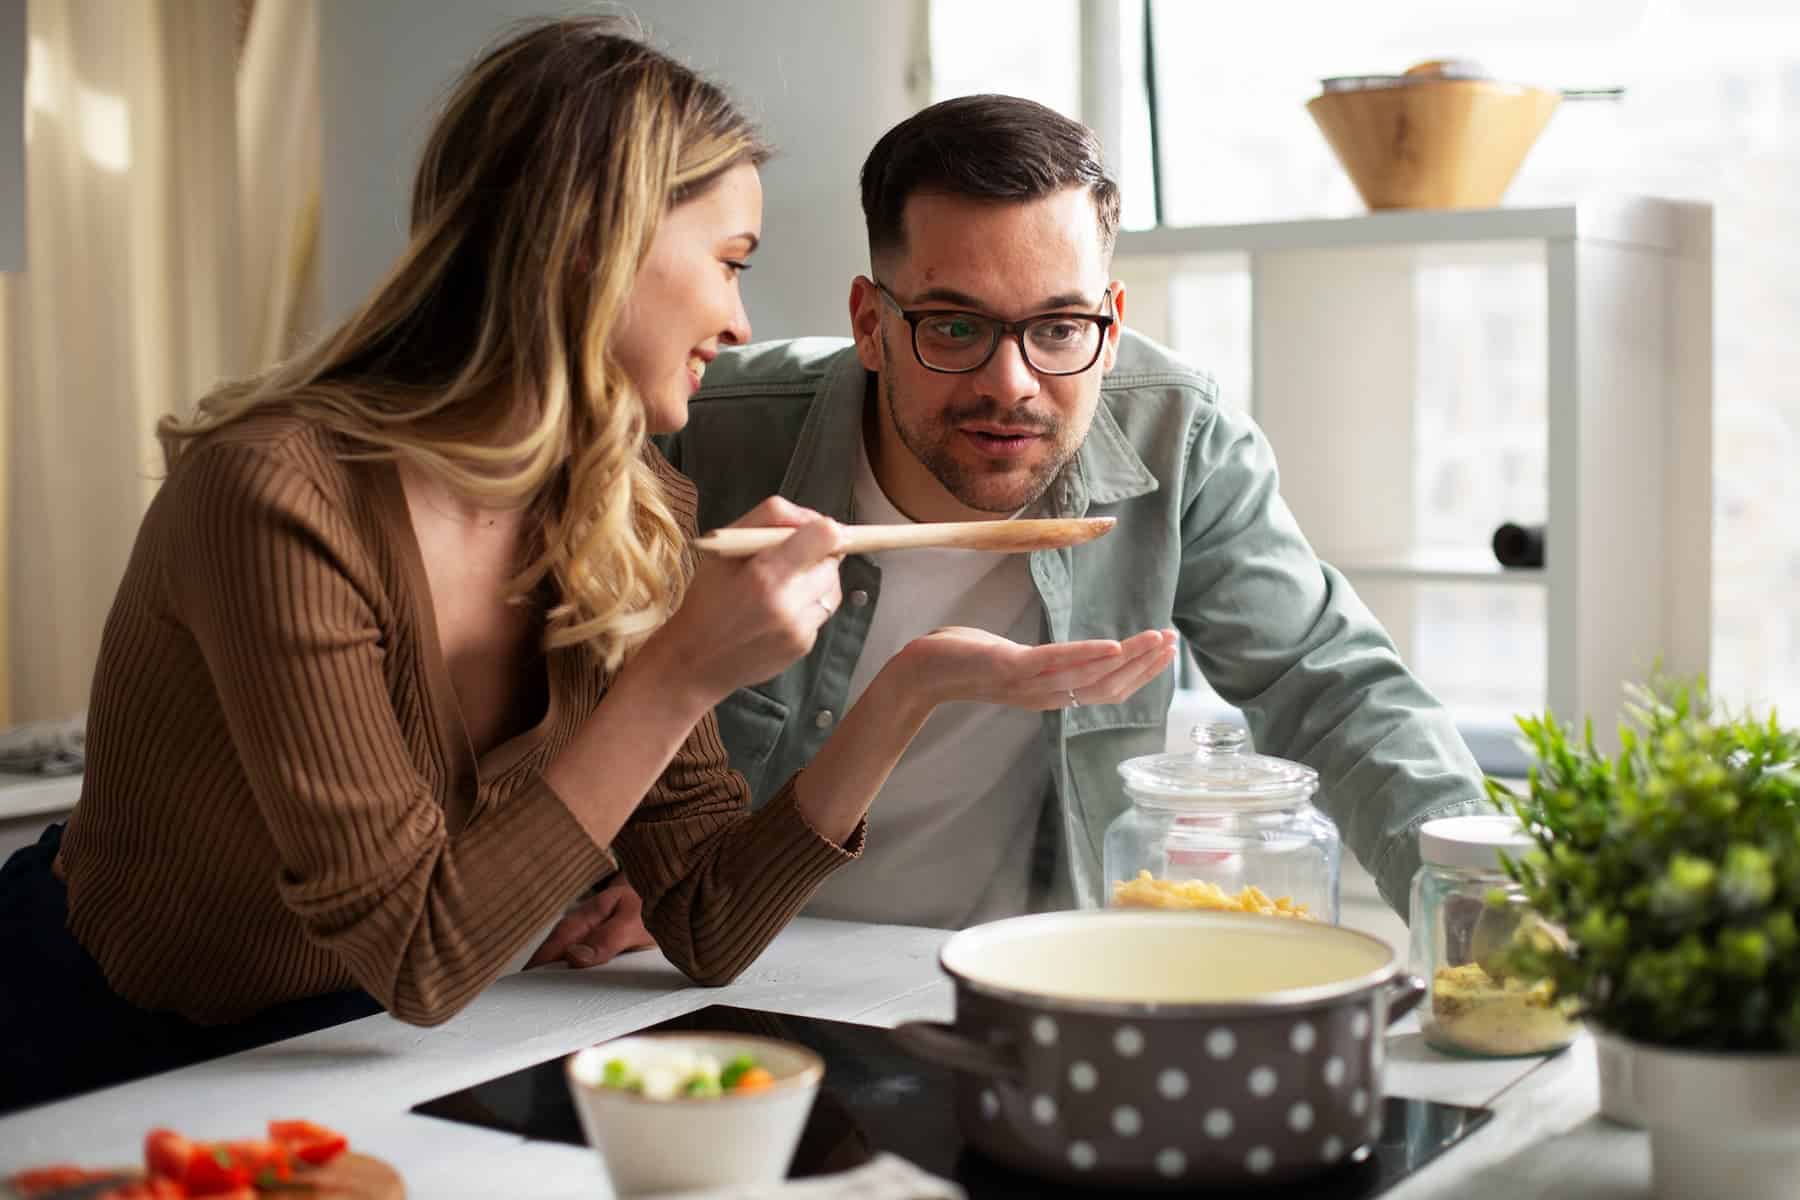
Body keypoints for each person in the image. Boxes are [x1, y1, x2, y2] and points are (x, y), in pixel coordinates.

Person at [0, 28, 1173, 1115]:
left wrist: (909, 691)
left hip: (360, 1057)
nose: (736, 319)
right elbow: (420, 951)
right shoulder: (278, 497)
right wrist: (675, 676)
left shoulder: (629, 508)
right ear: (591, 248)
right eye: (728, 260)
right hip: (98, 1048)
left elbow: (707, 918)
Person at [659, 94, 1491, 929]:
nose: (1011, 383)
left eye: (1059, 327)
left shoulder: (1180, 440)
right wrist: (631, 862)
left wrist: (1482, 912)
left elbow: (1333, 691)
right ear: (872, 326)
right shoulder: (702, 429)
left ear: (1112, 322)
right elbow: (568, 702)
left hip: (1023, 976)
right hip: (721, 965)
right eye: (953, 326)